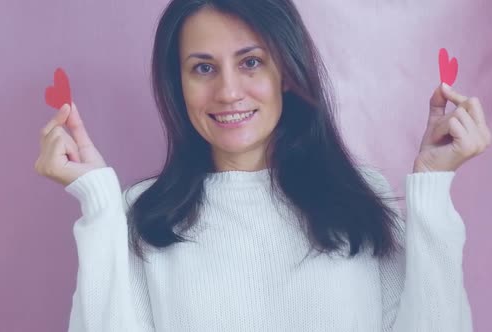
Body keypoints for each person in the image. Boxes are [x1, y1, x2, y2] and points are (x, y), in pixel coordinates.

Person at [34, 0, 490, 331]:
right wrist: (98, 205)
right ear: (179, 84)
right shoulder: (142, 214)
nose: (229, 92)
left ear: (286, 73)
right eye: (203, 68)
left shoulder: (356, 196)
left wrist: (432, 187)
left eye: (251, 62)